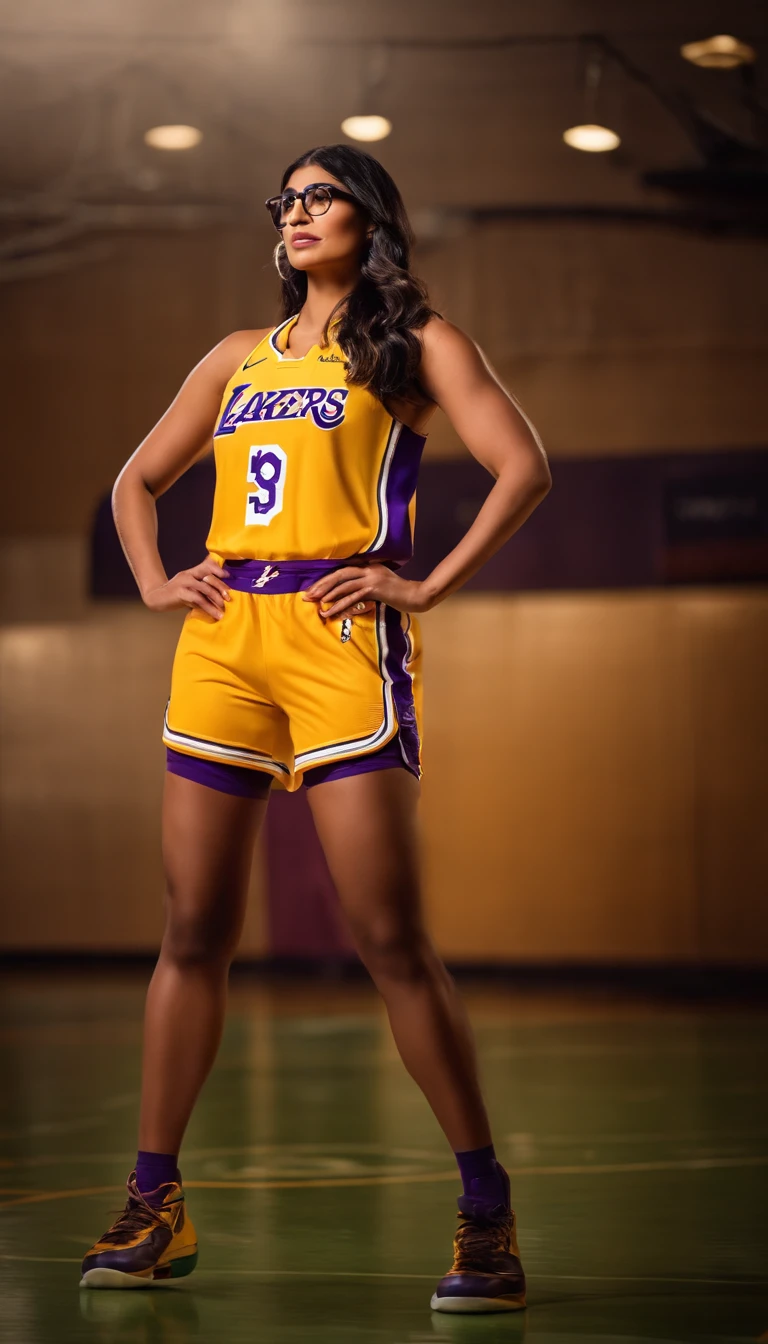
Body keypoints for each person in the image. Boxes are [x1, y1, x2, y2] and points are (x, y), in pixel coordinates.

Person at [79, 143, 551, 1314]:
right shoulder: (238, 356)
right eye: (284, 202)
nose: (295, 215)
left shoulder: (415, 341)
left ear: (368, 215)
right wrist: (154, 582)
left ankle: (484, 1213)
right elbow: (134, 482)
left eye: (319, 197)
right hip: (227, 638)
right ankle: (156, 1204)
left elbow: (522, 465)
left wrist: (424, 582)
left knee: (388, 935)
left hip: (344, 636)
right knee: (192, 926)